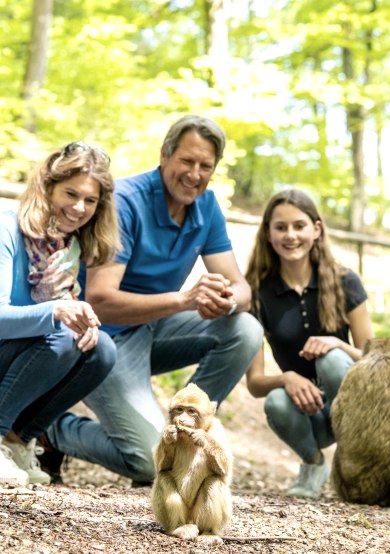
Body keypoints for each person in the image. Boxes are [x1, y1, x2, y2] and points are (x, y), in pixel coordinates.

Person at [43, 115, 264, 485]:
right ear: (164, 155)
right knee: (149, 462)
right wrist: (185, 300)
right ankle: (51, 428)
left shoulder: (206, 207)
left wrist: (224, 301)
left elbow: (243, 289)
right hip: (102, 339)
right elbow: (101, 301)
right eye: (187, 161)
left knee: (244, 329)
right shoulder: (126, 202)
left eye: (205, 166)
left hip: (154, 328)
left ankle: (189, 434)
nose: (194, 174)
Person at [0, 142, 119, 486]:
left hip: (18, 357)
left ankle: (18, 440)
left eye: (91, 200)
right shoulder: (8, 229)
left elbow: (62, 316)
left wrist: (81, 323)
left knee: (101, 350)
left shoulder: (70, 248)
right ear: (48, 187)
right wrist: (58, 310)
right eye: (71, 193)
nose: (79, 208)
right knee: (62, 330)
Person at [245, 188, 374, 499]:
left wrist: (339, 345)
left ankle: (359, 461)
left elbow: (375, 361)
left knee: (330, 360)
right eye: (281, 227)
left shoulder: (345, 281)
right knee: (276, 400)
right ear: (268, 234)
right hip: (306, 415)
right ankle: (314, 465)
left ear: (316, 230)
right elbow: (255, 383)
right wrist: (288, 378)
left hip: (351, 406)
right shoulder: (257, 292)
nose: (290, 235)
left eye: (299, 226)